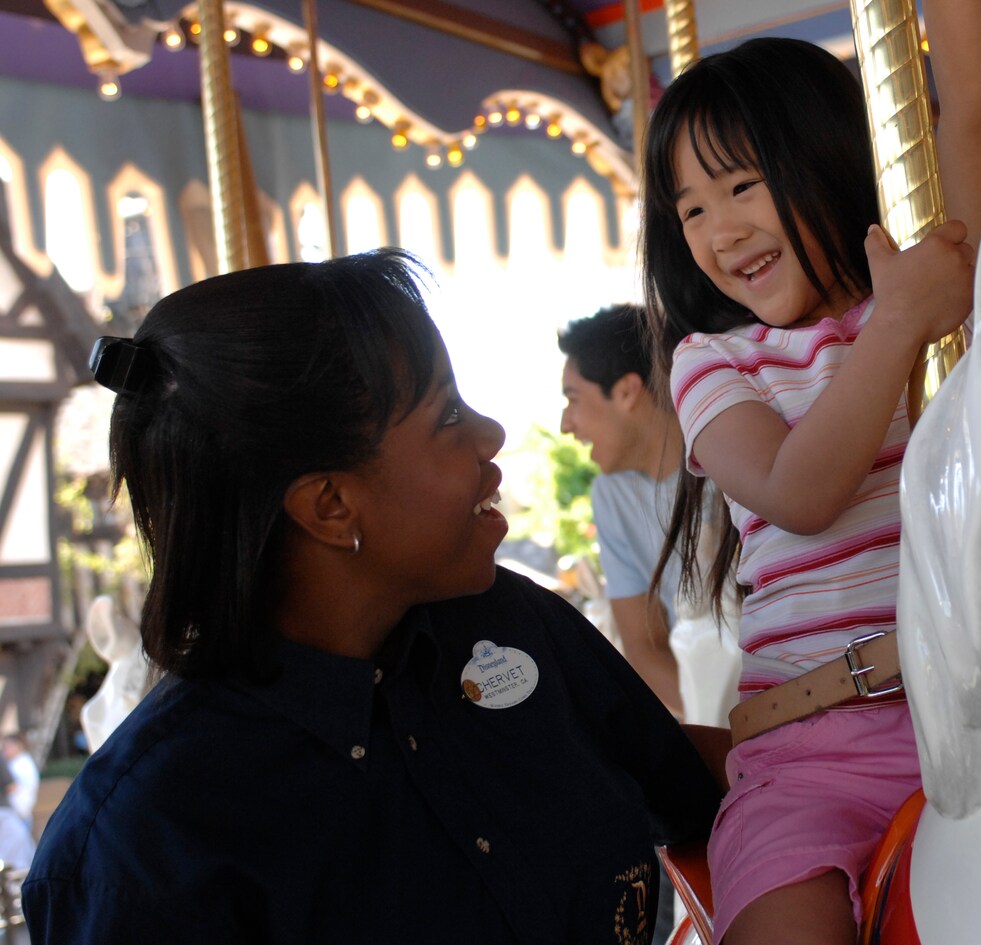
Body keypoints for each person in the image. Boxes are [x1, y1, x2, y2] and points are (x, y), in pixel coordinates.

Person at [22, 250, 722, 943]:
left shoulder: (511, 624)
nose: (492, 434)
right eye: (448, 415)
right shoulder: (144, 845)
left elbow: (686, 779)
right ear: (330, 505)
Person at [639, 3, 981, 941]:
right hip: (812, 755)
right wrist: (896, 327)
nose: (719, 230)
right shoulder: (714, 365)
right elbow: (801, 492)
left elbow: (973, 108)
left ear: (828, 155)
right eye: (690, 208)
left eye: (741, 185)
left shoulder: (942, 295)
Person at [560, 303, 742, 726]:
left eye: (573, 399)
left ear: (626, 391)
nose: (567, 424)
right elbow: (643, 647)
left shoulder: (729, 453)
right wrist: (725, 720)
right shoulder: (611, 494)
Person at [1, 734, 37, 830]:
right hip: (18, 813)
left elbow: (13, 787)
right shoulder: (15, 762)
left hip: (19, 812)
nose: (4, 750)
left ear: (18, 746)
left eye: (7, 747)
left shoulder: (22, 763)